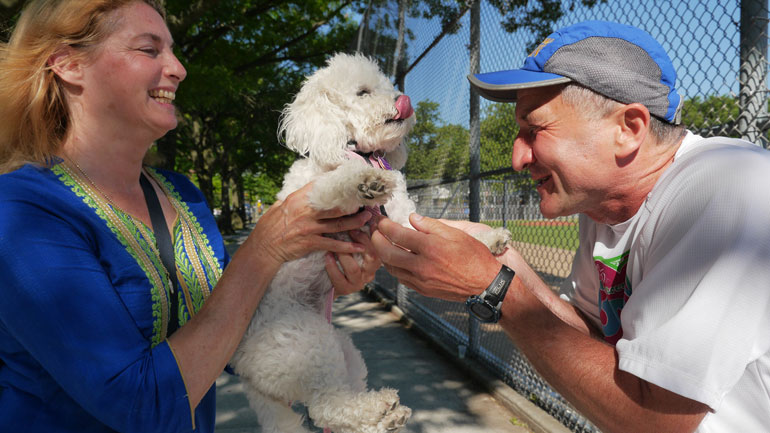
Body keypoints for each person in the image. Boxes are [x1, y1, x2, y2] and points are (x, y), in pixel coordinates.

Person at [372, 20, 770, 433]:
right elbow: (593, 337)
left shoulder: (728, 188)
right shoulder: (603, 208)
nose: (517, 157)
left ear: (628, 129)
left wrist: (493, 288)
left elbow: (654, 420)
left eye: (535, 129)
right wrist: (504, 264)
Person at [0, 1, 379, 432]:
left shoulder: (183, 196)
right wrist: (265, 248)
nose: (178, 68)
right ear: (67, 64)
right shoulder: (18, 210)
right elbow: (141, 406)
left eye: (174, 51)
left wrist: (315, 283)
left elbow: (233, 344)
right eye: (149, 49)